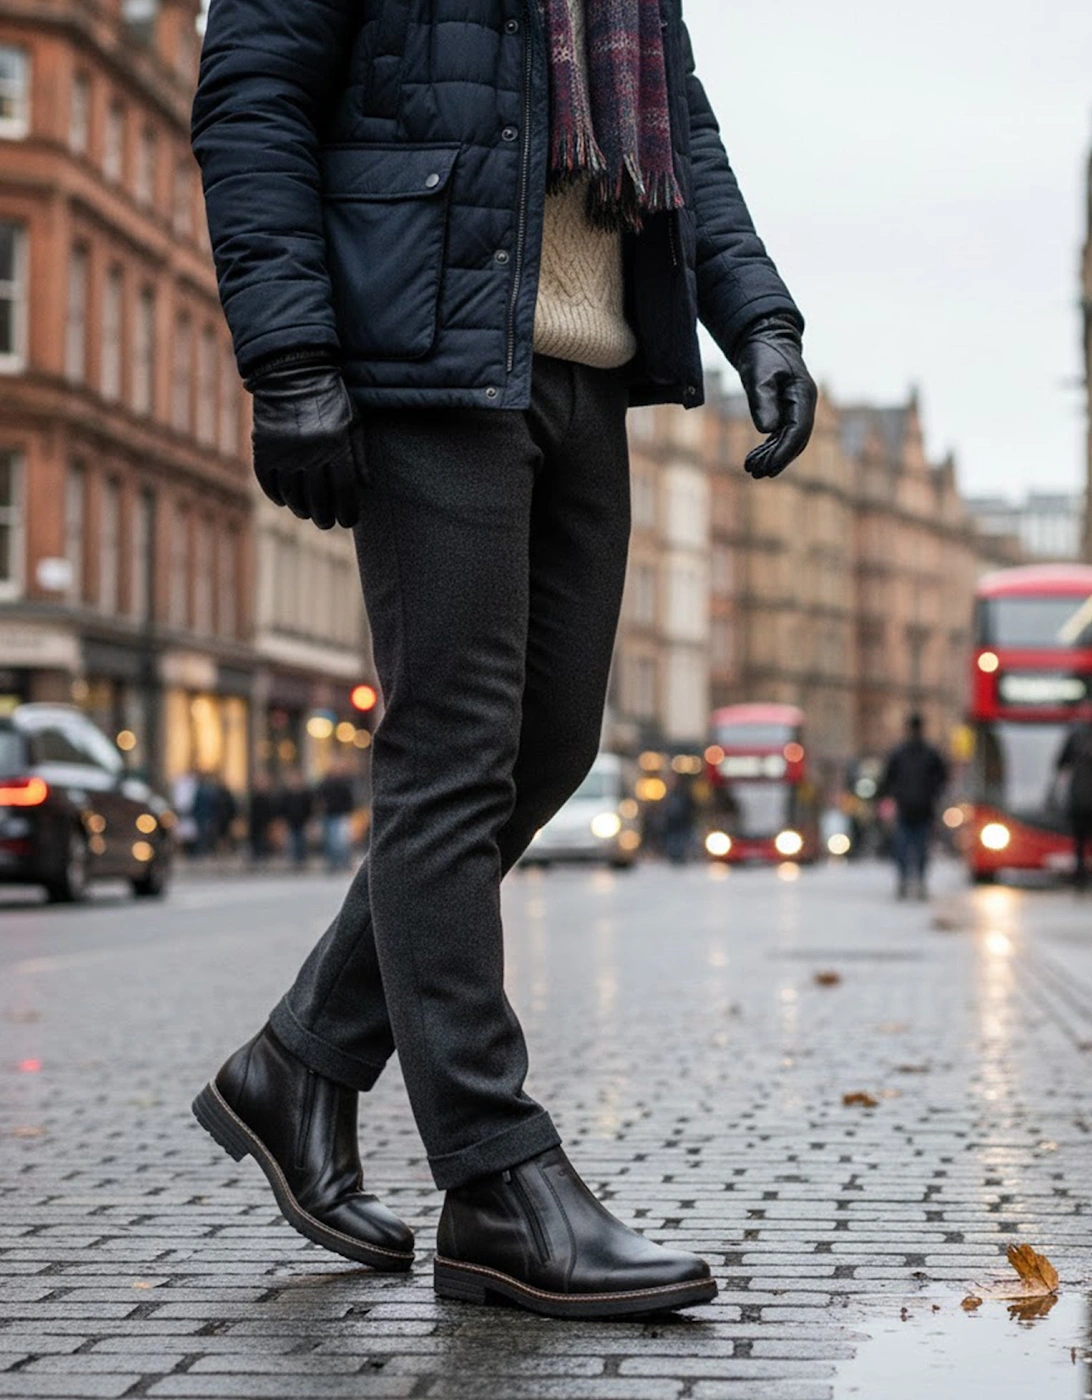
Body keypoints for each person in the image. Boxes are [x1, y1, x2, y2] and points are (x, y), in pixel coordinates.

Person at [190, 0, 816, 1319]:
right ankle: (494, 1181)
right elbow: (253, 97)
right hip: (424, 349)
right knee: (451, 753)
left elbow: (679, 130)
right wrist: (291, 354)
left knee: (553, 744)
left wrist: (757, 314)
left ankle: (300, 1063)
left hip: (584, 362)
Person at [879, 714, 949, 901]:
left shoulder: (915, 753)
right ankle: (909, 882)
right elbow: (887, 778)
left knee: (917, 850)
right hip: (911, 809)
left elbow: (942, 777)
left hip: (920, 810)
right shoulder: (910, 753)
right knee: (907, 850)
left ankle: (915, 882)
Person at [1056, 719, 1092, 891]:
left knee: (1079, 843)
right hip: (1081, 802)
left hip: (1078, 802)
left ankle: (1080, 877)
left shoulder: (1075, 737)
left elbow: (1060, 764)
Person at [316, 762, 356, 873]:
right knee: (330, 840)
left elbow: (350, 799)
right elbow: (319, 797)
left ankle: (345, 862)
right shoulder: (325, 783)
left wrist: (348, 811)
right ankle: (332, 863)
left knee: (342, 840)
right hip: (329, 815)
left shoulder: (345, 782)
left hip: (342, 814)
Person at [279, 769, 313, 869]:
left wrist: (310, 821)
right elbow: (283, 808)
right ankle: (293, 863)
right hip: (291, 822)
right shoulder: (287, 794)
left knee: (302, 842)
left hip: (302, 822)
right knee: (292, 843)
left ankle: (302, 862)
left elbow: (309, 808)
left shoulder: (305, 793)